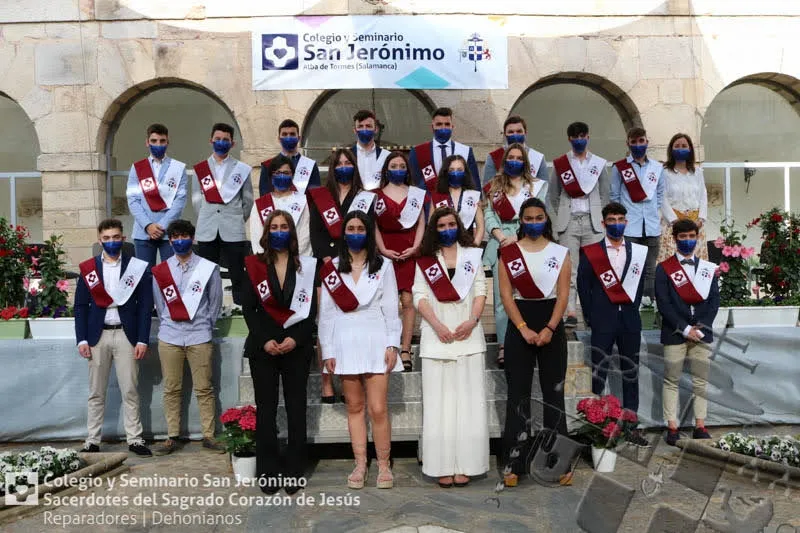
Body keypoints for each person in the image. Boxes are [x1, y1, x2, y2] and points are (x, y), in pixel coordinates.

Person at [319, 210, 402, 489]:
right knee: (354, 406)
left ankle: (383, 465)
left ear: (368, 232)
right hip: (344, 340)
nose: (355, 233)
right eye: (350, 228)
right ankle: (360, 463)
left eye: (360, 228)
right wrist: (327, 350)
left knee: (378, 408)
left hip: (376, 337)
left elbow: (392, 308)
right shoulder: (332, 268)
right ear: (344, 233)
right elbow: (327, 313)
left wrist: (393, 344)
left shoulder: (385, 266)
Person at [242, 210, 319, 494]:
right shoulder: (253, 265)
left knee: (296, 408)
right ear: (266, 232)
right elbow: (249, 308)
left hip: (295, 348)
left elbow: (311, 311)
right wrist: (264, 340)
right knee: (266, 410)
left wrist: (296, 339)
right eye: (273, 226)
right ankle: (268, 470)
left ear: (291, 231)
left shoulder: (307, 266)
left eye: (283, 226)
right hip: (263, 348)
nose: (278, 231)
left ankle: (294, 469)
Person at [413, 207, 489, 488]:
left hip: (468, 336)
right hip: (437, 337)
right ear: (435, 229)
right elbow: (419, 296)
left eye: (451, 224)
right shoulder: (426, 261)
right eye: (441, 225)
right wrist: (437, 325)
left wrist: (473, 320)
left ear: (459, 226)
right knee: (438, 406)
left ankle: (466, 464)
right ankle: (442, 465)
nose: (447, 229)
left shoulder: (472, 256)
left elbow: (480, 289)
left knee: (469, 405)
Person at [497, 198, 570, 488]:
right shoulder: (509, 254)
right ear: (521, 221)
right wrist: (524, 328)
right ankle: (514, 464)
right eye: (528, 218)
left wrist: (550, 327)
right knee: (518, 397)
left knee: (555, 397)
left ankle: (558, 464)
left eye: (539, 217)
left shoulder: (560, 252)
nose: (534, 222)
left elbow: (563, 294)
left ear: (546, 220)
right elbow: (505, 295)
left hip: (551, 320)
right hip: (520, 323)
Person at [74, 219, 153, 456]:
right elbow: (80, 307)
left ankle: (135, 439)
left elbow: (145, 306)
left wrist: (142, 339)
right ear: (100, 241)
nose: (111, 242)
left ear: (123, 239)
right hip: (97, 337)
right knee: (96, 391)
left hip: (127, 336)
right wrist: (81, 339)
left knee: (130, 389)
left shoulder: (136, 267)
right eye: (106, 238)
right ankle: (92, 439)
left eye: (116, 237)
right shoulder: (88, 269)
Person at [577, 202, 650, 447]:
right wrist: (592, 316)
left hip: (629, 318)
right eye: (612, 219)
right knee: (598, 372)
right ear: (603, 223)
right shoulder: (591, 252)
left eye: (620, 219)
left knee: (630, 372)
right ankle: (596, 425)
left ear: (626, 222)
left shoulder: (638, 252)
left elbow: (639, 286)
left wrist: (629, 308)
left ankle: (631, 425)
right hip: (602, 319)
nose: (616, 223)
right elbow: (583, 286)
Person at [308, 148, 376, 403]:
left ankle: (351, 378)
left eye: (348, 162)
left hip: (355, 265)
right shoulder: (321, 197)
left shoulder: (364, 197)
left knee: (350, 321)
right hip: (327, 267)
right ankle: (327, 381)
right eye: (339, 163)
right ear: (333, 168)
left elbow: (367, 230)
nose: (344, 166)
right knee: (326, 322)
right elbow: (316, 231)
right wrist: (327, 259)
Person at [151, 219, 224, 455]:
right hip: (170, 336)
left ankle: (209, 435)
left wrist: (203, 325)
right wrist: (173, 322)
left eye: (184, 236)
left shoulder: (208, 268)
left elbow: (215, 303)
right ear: (170, 240)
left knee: (204, 388)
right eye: (175, 237)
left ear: (192, 238)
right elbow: (160, 305)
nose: (179, 240)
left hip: (199, 334)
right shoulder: (161, 270)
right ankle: (172, 436)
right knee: (172, 388)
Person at [654, 219, 719, 446]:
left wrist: (700, 327)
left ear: (697, 237)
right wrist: (684, 328)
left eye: (691, 236)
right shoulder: (664, 269)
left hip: (702, 333)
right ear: (674, 239)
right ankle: (672, 426)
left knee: (701, 381)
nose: (688, 241)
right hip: (674, 332)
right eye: (683, 237)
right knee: (672, 380)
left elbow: (713, 302)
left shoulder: (707, 269)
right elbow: (663, 304)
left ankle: (700, 425)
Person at [483, 144, 548, 368]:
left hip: (528, 242)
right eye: (511, 157)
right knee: (502, 299)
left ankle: (530, 339)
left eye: (519, 158)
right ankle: (503, 345)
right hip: (501, 242)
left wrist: (519, 238)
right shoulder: (494, 186)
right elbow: (489, 215)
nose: (515, 161)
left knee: (528, 294)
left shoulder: (537, 186)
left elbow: (540, 215)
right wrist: (502, 237)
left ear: (526, 161)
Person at [548, 121, 609, 329]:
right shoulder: (561, 164)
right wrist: (561, 218)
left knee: (596, 268)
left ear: (588, 137)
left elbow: (605, 194)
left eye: (582, 135)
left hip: (593, 222)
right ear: (569, 139)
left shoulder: (598, 164)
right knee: (570, 269)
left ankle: (595, 311)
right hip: (570, 221)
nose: (579, 139)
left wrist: (602, 218)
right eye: (575, 136)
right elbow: (553, 196)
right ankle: (571, 311)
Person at [374, 151, 426, 372]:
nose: (397, 169)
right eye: (393, 165)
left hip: (409, 250)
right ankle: (387, 346)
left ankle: (406, 348)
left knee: (408, 301)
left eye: (401, 166)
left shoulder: (415, 194)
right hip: (385, 250)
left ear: (407, 169)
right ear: (386, 169)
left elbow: (422, 221)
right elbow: (372, 224)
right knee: (385, 303)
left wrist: (415, 247)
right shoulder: (375, 195)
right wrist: (382, 248)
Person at [192, 122, 253, 305]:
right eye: (217, 139)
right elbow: (196, 200)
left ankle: (241, 315)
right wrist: (206, 217)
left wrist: (235, 218)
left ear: (232, 143)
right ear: (211, 140)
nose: (221, 142)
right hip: (207, 228)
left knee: (237, 275)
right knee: (206, 274)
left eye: (225, 140)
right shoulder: (200, 169)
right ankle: (208, 312)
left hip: (233, 228)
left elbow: (248, 200)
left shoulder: (241, 169)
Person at [610, 127, 665, 307]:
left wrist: (651, 212)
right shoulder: (620, 167)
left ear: (646, 142)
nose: (638, 145)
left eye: (641, 141)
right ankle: (630, 303)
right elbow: (614, 197)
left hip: (651, 225)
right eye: (634, 142)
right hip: (630, 226)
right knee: (631, 267)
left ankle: (648, 304)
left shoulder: (657, 168)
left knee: (650, 269)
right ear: (628, 144)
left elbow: (660, 195)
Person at [125, 123, 188, 267]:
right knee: (145, 276)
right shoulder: (137, 168)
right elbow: (133, 200)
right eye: (154, 141)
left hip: (170, 232)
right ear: (147, 142)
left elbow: (180, 201)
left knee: (171, 275)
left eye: (162, 141)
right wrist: (148, 225)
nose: (158, 144)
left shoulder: (178, 168)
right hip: (143, 232)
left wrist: (162, 226)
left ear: (167, 142)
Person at [658, 133, 708, 261]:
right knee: (672, 263)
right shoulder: (664, 172)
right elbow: (662, 198)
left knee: (696, 264)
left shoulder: (697, 172)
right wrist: (675, 221)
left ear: (690, 149)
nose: (681, 148)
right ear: (671, 149)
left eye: (684, 146)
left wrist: (701, 219)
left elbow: (703, 196)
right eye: (677, 146)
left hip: (695, 224)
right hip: (672, 225)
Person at [409, 107, 480, 194]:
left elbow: (474, 183)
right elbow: (414, 183)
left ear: (452, 127)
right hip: (429, 203)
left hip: (459, 203)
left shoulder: (465, 151)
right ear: (432, 127)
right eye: (439, 124)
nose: (443, 128)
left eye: (447, 124)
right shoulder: (417, 152)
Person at [249, 155, 311, 256]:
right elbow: (256, 235)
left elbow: (306, 233)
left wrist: (297, 256)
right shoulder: (260, 204)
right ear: (271, 176)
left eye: (286, 173)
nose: (282, 176)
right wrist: (264, 259)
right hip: (269, 260)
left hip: (297, 259)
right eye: (277, 173)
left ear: (292, 175)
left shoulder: (303, 201)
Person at [429, 155, 485, 246]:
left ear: (465, 172)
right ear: (446, 172)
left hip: (468, 246)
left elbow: (481, 227)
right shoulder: (437, 196)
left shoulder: (473, 195)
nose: (455, 173)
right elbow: (431, 226)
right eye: (452, 170)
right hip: (442, 247)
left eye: (459, 170)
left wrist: (474, 246)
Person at [258, 119, 321, 196]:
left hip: (304, 207)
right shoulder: (268, 165)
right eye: (284, 134)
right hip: (276, 207)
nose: (288, 137)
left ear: (298, 138)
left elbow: (316, 194)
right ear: (279, 138)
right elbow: (264, 195)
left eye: (292, 134)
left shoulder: (310, 165)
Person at [482, 115, 549, 187]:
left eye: (519, 131)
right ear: (505, 134)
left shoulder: (537, 157)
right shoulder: (494, 156)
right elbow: (487, 188)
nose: (515, 135)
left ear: (525, 132)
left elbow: (545, 189)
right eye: (511, 132)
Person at [351, 109, 390, 191]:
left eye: (368, 126)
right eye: (360, 126)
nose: (364, 130)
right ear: (354, 130)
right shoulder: (347, 157)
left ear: (376, 129)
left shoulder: (387, 156)